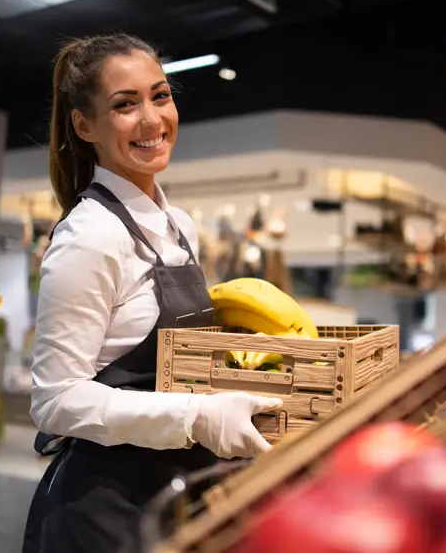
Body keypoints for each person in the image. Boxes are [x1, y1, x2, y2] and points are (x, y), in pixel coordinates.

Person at [22, 33, 282, 553]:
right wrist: (197, 418)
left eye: (159, 96)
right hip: (104, 514)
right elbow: (55, 400)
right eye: (124, 105)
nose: (151, 119)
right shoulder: (89, 236)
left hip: (176, 499)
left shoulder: (179, 225)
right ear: (84, 125)